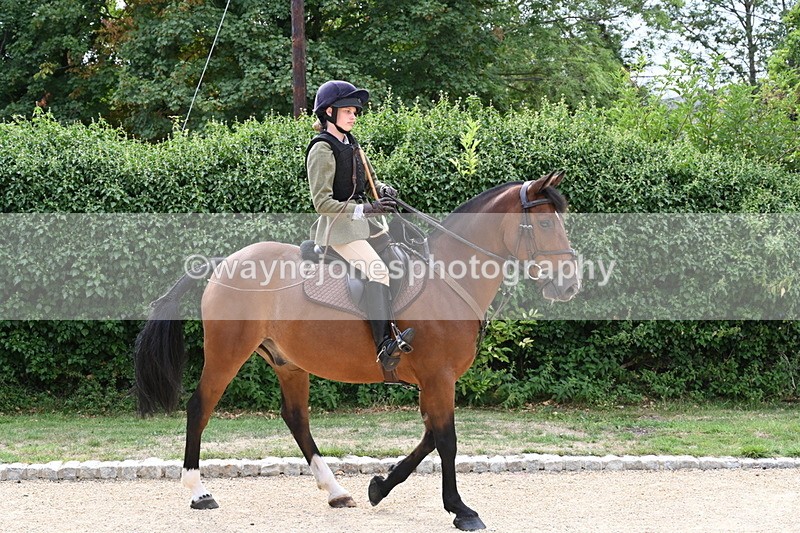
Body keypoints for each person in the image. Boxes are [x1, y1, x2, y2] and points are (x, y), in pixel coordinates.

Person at [305, 80, 414, 372]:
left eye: (355, 112)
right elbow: (322, 203)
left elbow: (370, 182)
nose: (353, 116)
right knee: (377, 271)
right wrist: (364, 209)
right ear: (329, 112)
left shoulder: (352, 144)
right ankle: (383, 347)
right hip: (339, 229)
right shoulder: (322, 149)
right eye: (348, 111)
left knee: (399, 259)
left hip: (367, 226)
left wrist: (384, 190)